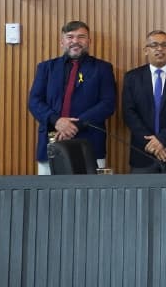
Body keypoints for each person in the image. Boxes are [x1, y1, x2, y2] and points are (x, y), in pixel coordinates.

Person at [27, 20, 117, 174]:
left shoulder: (103, 68)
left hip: (90, 144)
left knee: (91, 195)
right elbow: (34, 101)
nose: (75, 41)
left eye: (81, 37)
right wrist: (57, 121)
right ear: (62, 42)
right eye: (70, 37)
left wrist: (75, 125)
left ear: (89, 41)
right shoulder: (46, 68)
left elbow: (108, 104)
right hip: (52, 141)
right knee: (49, 195)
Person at [121, 30, 166, 173]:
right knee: (141, 196)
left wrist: (162, 139)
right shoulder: (132, 77)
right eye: (154, 45)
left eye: (164, 45)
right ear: (146, 50)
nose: (159, 49)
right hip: (142, 152)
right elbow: (128, 113)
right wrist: (152, 143)